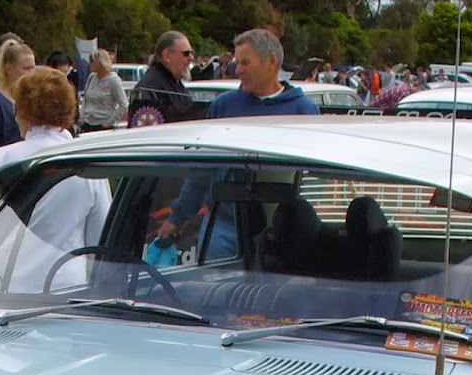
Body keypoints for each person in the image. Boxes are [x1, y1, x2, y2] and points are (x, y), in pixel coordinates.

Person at [155, 28, 317, 258]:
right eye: (236, 62)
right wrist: (178, 217)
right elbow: (202, 169)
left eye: (245, 63)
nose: (237, 70)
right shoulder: (223, 107)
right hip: (223, 226)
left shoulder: (304, 111)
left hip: (281, 228)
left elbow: (311, 179)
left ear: (271, 62)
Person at [0, 67, 111, 291]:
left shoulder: (1, 160)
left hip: (3, 286)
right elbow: (100, 237)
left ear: (22, 112)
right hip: (64, 285)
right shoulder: (87, 166)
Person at [130, 30, 194, 124]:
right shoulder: (149, 88)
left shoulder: (175, 84)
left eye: (192, 53)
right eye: (186, 53)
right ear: (167, 55)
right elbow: (143, 133)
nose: (191, 58)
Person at [0, 38, 34, 148]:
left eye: (33, 68)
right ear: (8, 68)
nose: (31, 73)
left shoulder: (34, 99)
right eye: (26, 68)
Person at [80, 49, 127, 131]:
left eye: (92, 62)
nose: (90, 64)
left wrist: (109, 122)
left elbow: (123, 104)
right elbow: (85, 99)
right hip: (88, 123)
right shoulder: (91, 77)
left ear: (100, 62)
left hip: (103, 125)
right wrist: (82, 117)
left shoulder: (114, 80)